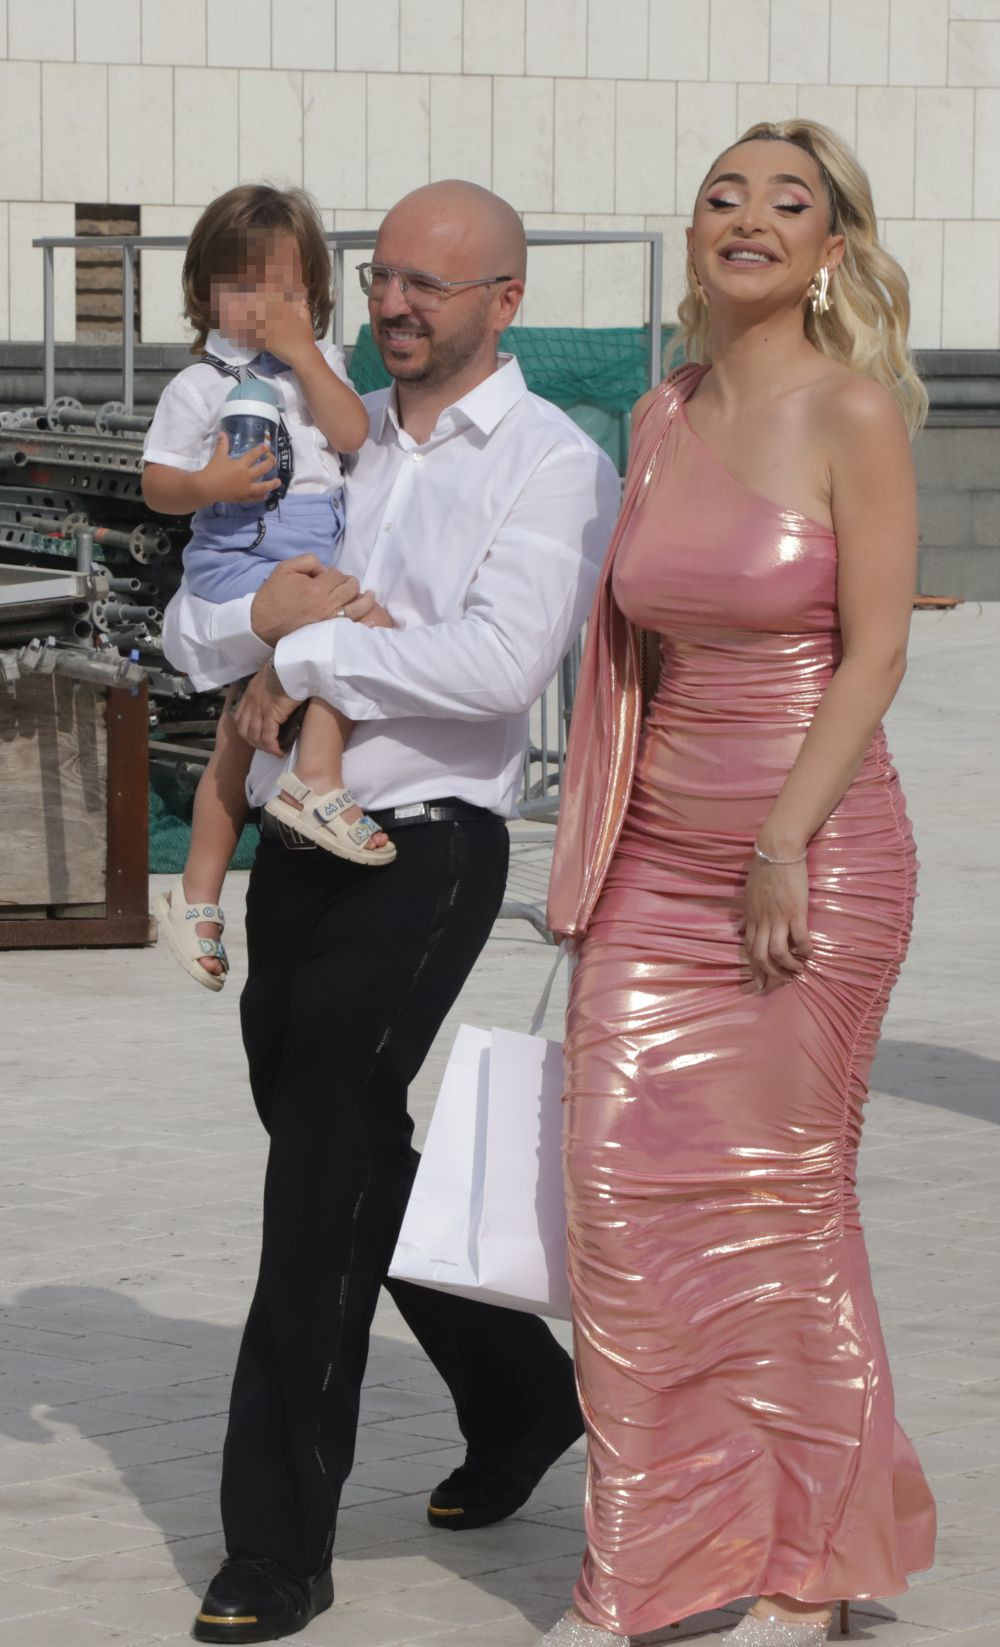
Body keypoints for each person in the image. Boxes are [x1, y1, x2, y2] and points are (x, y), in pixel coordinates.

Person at [162, 179, 621, 1642]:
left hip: (426, 845)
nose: (395, 305)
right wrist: (266, 623)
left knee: (315, 1173)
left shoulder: (555, 463)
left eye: (431, 283)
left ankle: (274, 1542)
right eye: (382, 280)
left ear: (506, 300)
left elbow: (496, 665)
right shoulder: (325, 427)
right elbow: (194, 616)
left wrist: (304, 663)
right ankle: (518, 1389)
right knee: (345, 1141)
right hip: (294, 843)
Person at [544, 120, 937, 1645]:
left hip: (812, 853)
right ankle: (656, 1559)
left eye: (788, 202)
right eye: (724, 196)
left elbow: (878, 651)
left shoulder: (853, 410)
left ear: (832, 249)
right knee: (616, 1197)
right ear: (696, 233)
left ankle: (804, 1569)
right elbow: (628, 647)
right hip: (656, 859)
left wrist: (781, 839)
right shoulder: (662, 413)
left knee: (783, 1206)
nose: (750, 218)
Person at [145, 184, 393, 994]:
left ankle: (197, 892)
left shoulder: (319, 370)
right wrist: (208, 482)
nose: (265, 306)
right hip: (241, 552)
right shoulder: (200, 384)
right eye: (244, 286)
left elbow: (352, 433)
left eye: (286, 288)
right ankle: (316, 779)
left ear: (314, 293)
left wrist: (308, 355)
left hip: (308, 546)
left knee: (243, 722)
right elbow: (157, 484)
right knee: (349, 630)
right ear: (205, 293)